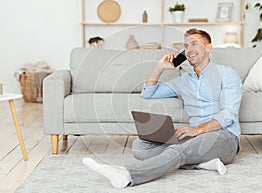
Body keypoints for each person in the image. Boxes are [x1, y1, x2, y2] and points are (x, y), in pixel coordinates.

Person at [82, 28, 243, 189]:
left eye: (195, 43)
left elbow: (228, 115)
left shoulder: (227, 74)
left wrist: (197, 130)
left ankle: (128, 175)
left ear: (208, 47)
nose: (189, 49)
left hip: (224, 137)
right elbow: (148, 93)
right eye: (186, 46)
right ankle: (203, 163)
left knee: (180, 149)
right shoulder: (184, 81)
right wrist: (160, 67)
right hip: (194, 139)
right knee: (140, 146)